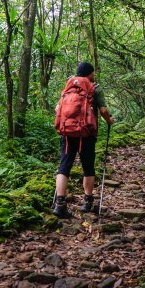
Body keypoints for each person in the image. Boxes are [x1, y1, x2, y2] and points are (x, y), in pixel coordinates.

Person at [53, 62, 115, 218]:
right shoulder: (95, 88)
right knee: (88, 166)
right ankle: (87, 202)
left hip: (67, 133)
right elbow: (103, 110)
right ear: (89, 73)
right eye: (93, 73)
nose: (94, 76)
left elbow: (57, 109)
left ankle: (60, 204)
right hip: (86, 134)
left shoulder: (69, 87)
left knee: (64, 165)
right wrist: (109, 121)